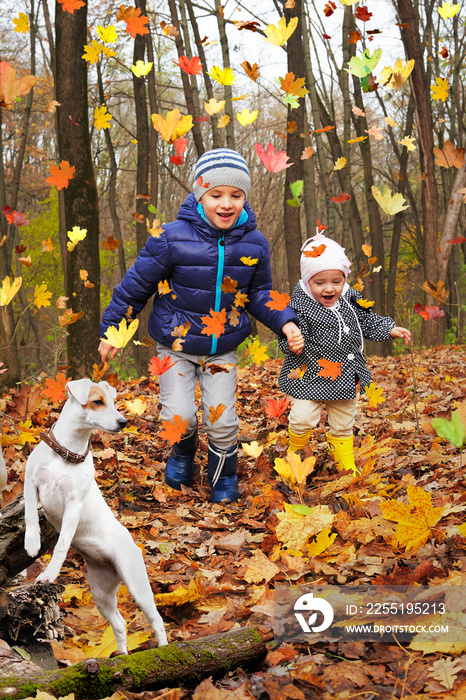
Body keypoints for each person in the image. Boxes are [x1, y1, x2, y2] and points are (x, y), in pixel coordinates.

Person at [99, 148, 303, 503]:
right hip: (174, 345)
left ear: (244, 198)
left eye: (236, 195)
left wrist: (285, 322)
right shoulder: (170, 238)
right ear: (199, 195)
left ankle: (222, 474)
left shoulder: (254, 243)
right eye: (216, 195)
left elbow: (260, 293)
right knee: (180, 415)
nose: (226, 203)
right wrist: (114, 327)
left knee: (221, 421)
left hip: (222, 346)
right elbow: (136, 285)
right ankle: (182, 452)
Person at [278, 230, 411, 474]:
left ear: (344, 279)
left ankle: (344, 462)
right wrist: (292, 342)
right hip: (311, 375)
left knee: (343, 421)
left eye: (336, 282)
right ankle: (295, 456)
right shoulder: (299, 306)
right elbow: (288, 332)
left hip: (345, 376)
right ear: (308, 282)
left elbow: (367, 321)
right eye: (320, 283)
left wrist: (390, 328)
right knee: (303, 418)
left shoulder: (350, 298)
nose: (329, 289)